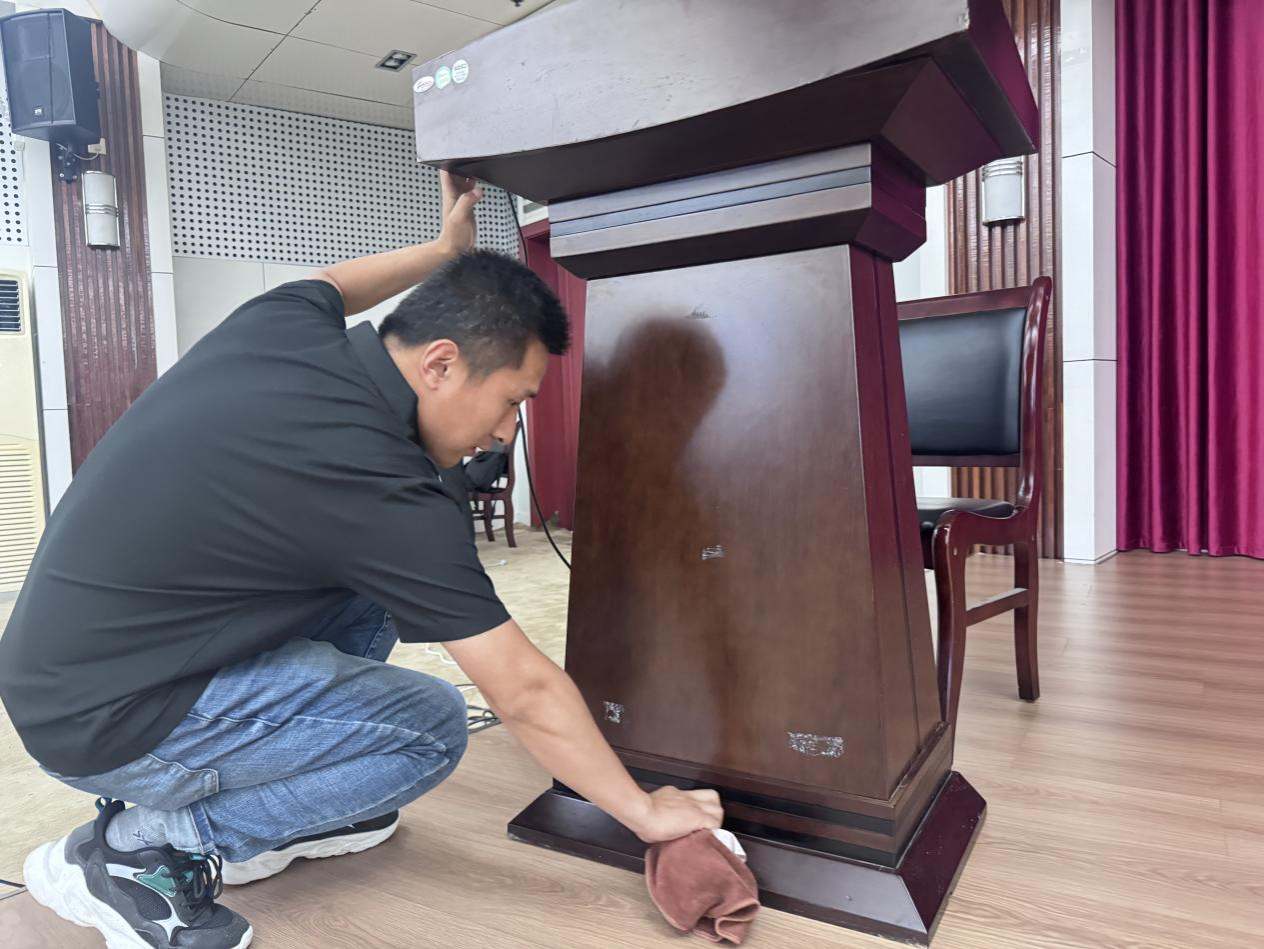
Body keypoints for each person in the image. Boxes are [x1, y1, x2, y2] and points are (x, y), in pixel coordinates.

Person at [0, 171, 723, 949]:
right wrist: (645, 811)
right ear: (440, 364)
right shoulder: (381, 485)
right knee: (430, 729)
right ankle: (144, 849)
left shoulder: (283, 323)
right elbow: (522, 689)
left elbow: (334, 282)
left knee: (369, 592)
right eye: (513, 399)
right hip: (110, 723)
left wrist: (442, 251)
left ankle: (283, 797)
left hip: (63, 673)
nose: (508, 431)